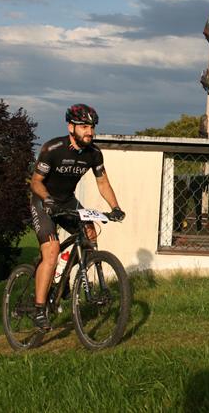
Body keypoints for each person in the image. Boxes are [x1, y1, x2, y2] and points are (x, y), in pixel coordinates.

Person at [29, 104, 125, 331]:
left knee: (89, 233)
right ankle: (39, 309)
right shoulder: (53, 148)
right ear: (71, 127)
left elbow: (103, 182)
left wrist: (115, 207)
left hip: (67, 200)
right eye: (84, 127)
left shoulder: (94, 153)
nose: (89, 132)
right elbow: (35, 182)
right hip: (43, 200)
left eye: (92, 127)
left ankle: (65, 278)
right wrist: (47, 199)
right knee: (51, 250)